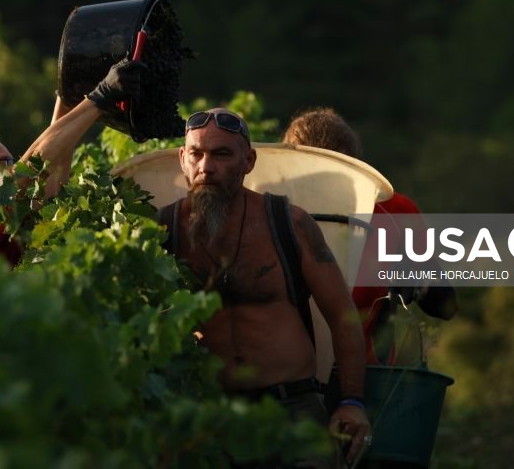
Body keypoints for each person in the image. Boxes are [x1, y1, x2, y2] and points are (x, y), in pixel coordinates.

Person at [158, 107, 372, 468]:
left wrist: (352, 402)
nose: (206, 167)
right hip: (207, 414)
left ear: (248, 161)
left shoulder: (290, 224)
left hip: (292, 410)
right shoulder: (163, 232)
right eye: (196, 153)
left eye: (222, 154)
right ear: (183, 158)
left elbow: (342, 316)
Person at [0, 59, 145, 288]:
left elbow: (47, 175)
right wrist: (102, 95)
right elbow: (33, 166)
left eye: (12, 161)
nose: (12, 169)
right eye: (4, 162)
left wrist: (67, 95)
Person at [282, 107, 457, 365]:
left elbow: (446, 304)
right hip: (284, 373)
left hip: (368, 377)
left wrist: (416, 280)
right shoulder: (268, 208)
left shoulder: (394, 211)